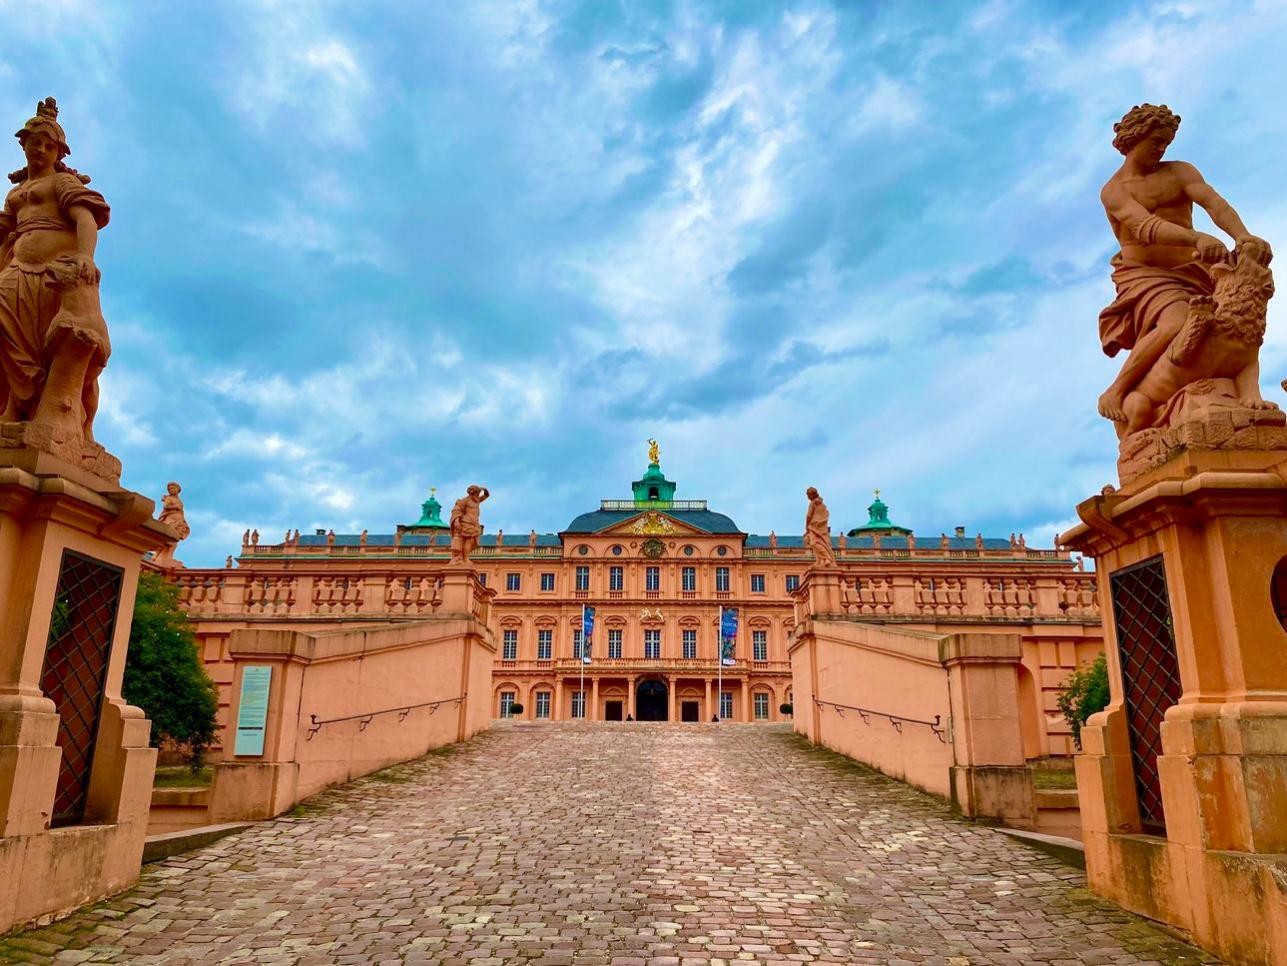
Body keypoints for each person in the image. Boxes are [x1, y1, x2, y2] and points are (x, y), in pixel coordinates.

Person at [1096, 103, 1271, 435]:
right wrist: (1195, 237)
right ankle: (1117, 389)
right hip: (1146, 275)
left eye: (1166, 142)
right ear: (1134, 140)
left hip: (1194, 269)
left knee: (1233, 328)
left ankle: (1226, 392)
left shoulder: (1180, 172)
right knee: (1177, 321)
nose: (1161, 149)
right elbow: (1144, 226)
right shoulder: (1115, 191)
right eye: (1156, 142)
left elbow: (1213, 203)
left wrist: (1242, 235)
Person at [0, 98, 111, 446]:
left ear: (59, 153)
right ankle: (15, 402)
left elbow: (86, 218)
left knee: (51, 345)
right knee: (10, 335)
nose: (42, 150)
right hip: (17, 271)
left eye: (50, 146)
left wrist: (84, 257)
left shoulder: (60, 184)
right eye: (37, 143)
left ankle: (41, 412)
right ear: (24, 144)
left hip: (54, 276)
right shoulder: (17, 194)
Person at [449, 484, 490, 562]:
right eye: (477, 493)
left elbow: (486, 495)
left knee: (470, 541)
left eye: (478, 493)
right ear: (472, 493)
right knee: (462, 540)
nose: (478, 495)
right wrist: (457, 521)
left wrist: (484, 489)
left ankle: (466, 558)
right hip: (465, 523)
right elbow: (456, 510)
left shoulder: (477, 501)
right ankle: (459, 557)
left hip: (473, 524)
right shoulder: (465, 500)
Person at [804, 486, 838, 567]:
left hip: (814, 526)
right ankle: (821, 560)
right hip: (820, 526)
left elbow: (809, 515)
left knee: (813, 542)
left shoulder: (813, 503)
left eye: (808, 495)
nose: (808, 497)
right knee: (820, 542)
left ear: (811, 495)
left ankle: (827, 558)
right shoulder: (821, 504)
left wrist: (806, 525)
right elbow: (826, 514)